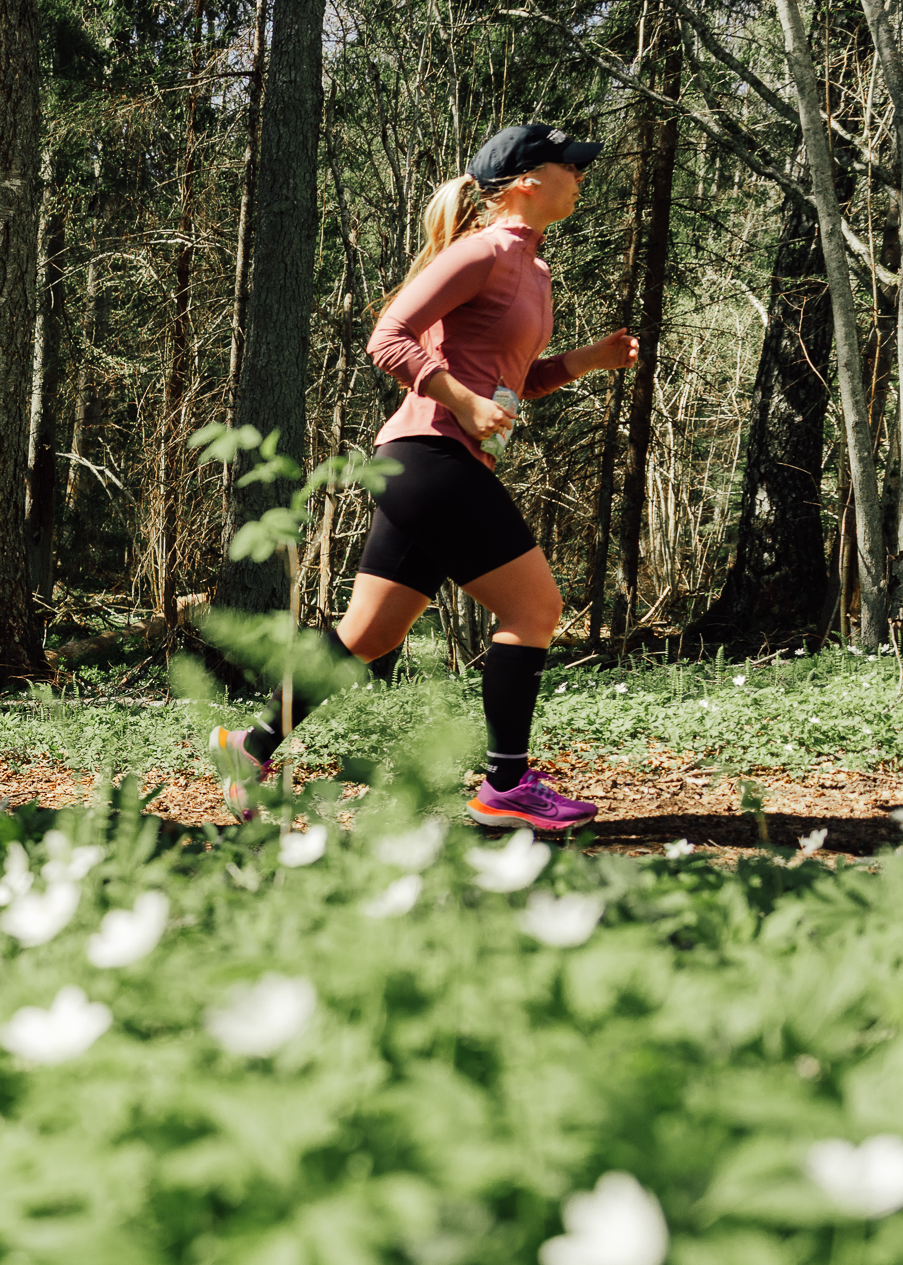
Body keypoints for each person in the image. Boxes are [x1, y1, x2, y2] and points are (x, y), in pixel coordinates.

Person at [209, 123, 640, 834]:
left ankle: (251, 748)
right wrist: (462, 400)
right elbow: (389, 336)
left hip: (434, 460)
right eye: (572, 165)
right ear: (528, 180)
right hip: (428, 455)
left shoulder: (531, 269)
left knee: (369, 636)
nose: (582, 176)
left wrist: (584, 360)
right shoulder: (483, 252)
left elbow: (515, 383)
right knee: (534, 609)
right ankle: (506, 786)